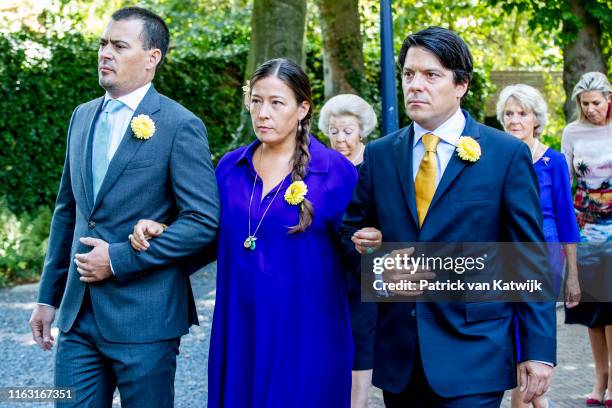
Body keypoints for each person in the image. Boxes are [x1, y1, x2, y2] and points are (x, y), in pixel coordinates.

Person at [339, 27, 556, 407]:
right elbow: (349, 237)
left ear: (461, 86)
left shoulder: (504, 154)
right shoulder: (380, 155)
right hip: (401, 357)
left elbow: (528, 255)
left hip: (475, 353)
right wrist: (374, 257)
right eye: (408, 74)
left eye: (430, 75)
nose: (415, 85)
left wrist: (538, 350)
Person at [130, 58, 358, 407]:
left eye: (276, 102)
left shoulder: (337, 172)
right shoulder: (229, 167)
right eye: (256, 100)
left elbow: (363, 259)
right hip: (241, 332)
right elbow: (206, 238)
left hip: (308, 338)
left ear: (303, 109)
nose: (263, 113)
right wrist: (163, 231)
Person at [27, 7, 219, 406]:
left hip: (146, 319)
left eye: (118, 45)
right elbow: (69, 212)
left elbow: (203, 222)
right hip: (78, 317)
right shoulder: (81, 117)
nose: (105, 54)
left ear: (152, 58)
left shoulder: (180, 125)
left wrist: (118, 259)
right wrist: (48, 297)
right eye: (102, 44)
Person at [496, 84, 581, 408]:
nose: (515, 120)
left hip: (544, 256)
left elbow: (566, 218)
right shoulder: (495, 156)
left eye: (522, 113)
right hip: (504, 256)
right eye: (509, 113)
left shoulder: (553, 161)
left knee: (532, 335)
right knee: (513, 334)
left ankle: (526, 403)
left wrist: (573, 275)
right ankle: (538, 403)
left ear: (536, 119)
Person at [318, 94, 378, 408]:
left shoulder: (374, 165)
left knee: (360, 346)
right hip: (327, 270)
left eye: (347, 131)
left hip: (361, 269)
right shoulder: (321, 167)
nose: (340, 139)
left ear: (361, 131)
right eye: (334, 131)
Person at [561, 71, 612, 407]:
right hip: (586, 232)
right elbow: (565, 184)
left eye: (597, 102)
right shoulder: (572, 132)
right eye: (585, 104)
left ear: (609, 99)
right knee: (594, 314)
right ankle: (599, 381)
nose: (592, 109)